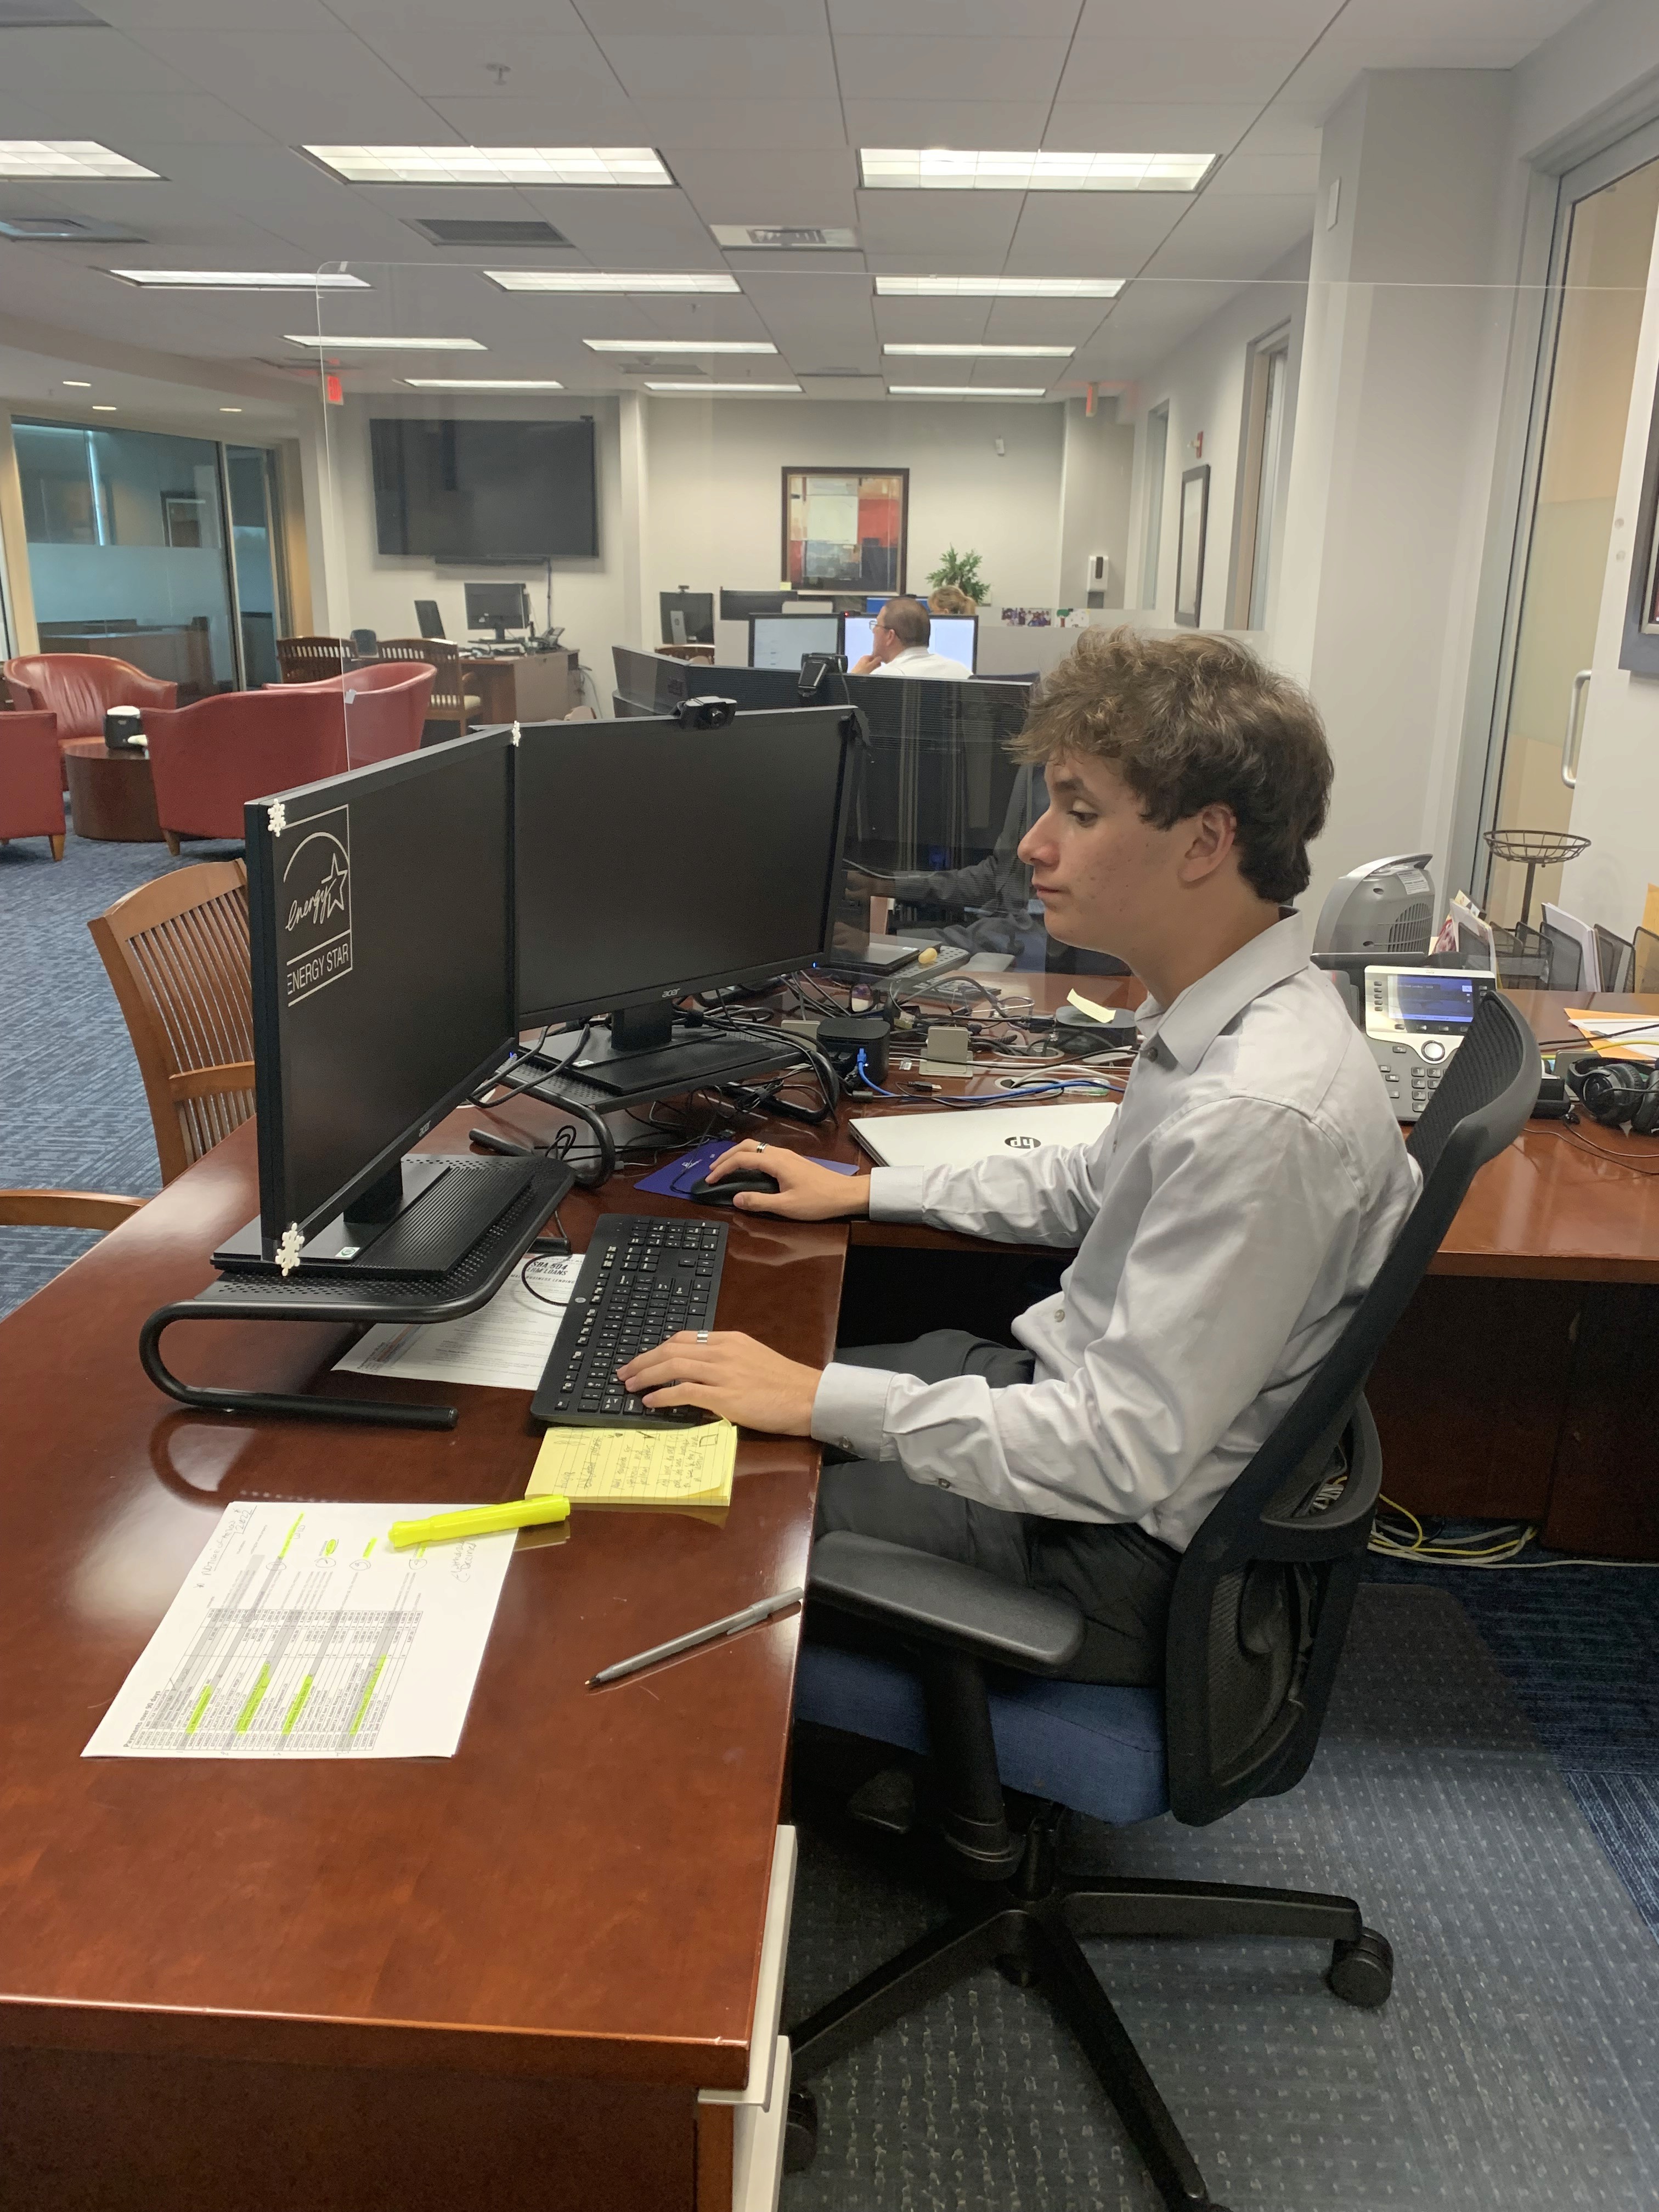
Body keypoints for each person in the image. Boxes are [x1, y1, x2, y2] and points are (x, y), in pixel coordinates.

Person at [619, 628, 1418, 1687]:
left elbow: (1117, 1454)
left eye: (1078, 813)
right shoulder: (1223, 1012)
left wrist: (813, 1401)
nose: (1034, 847)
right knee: (737, 1407)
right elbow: (1091, 1185)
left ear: (1203, 841)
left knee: (707, 1510)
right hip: (1075, 1416)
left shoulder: (1261, 1114)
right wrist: (864, 1190)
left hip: (1106, 1549)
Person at [851, 596, 973, 681]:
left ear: (890, 636)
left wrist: (853, 679)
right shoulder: (962, 672)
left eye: (877, 625)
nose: (873, 631)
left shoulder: (884, 677)